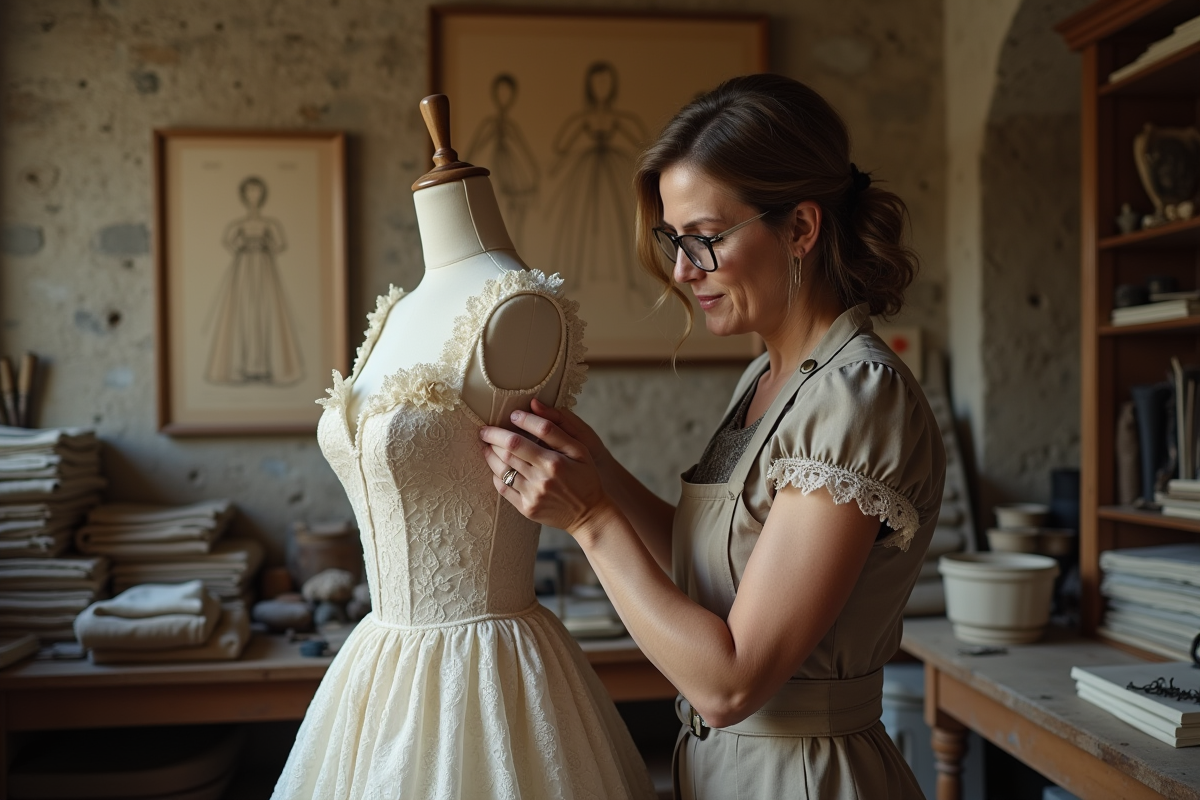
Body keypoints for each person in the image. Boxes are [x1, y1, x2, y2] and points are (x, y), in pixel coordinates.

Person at [479, 73, 946, 799]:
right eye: (674, 240)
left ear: (800, 228)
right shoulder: (766, 378)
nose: (679, 271)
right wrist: (596, 466)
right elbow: (719, 567)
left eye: (703, 240)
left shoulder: (858, 398)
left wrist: (590, 520)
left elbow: (730, 684)